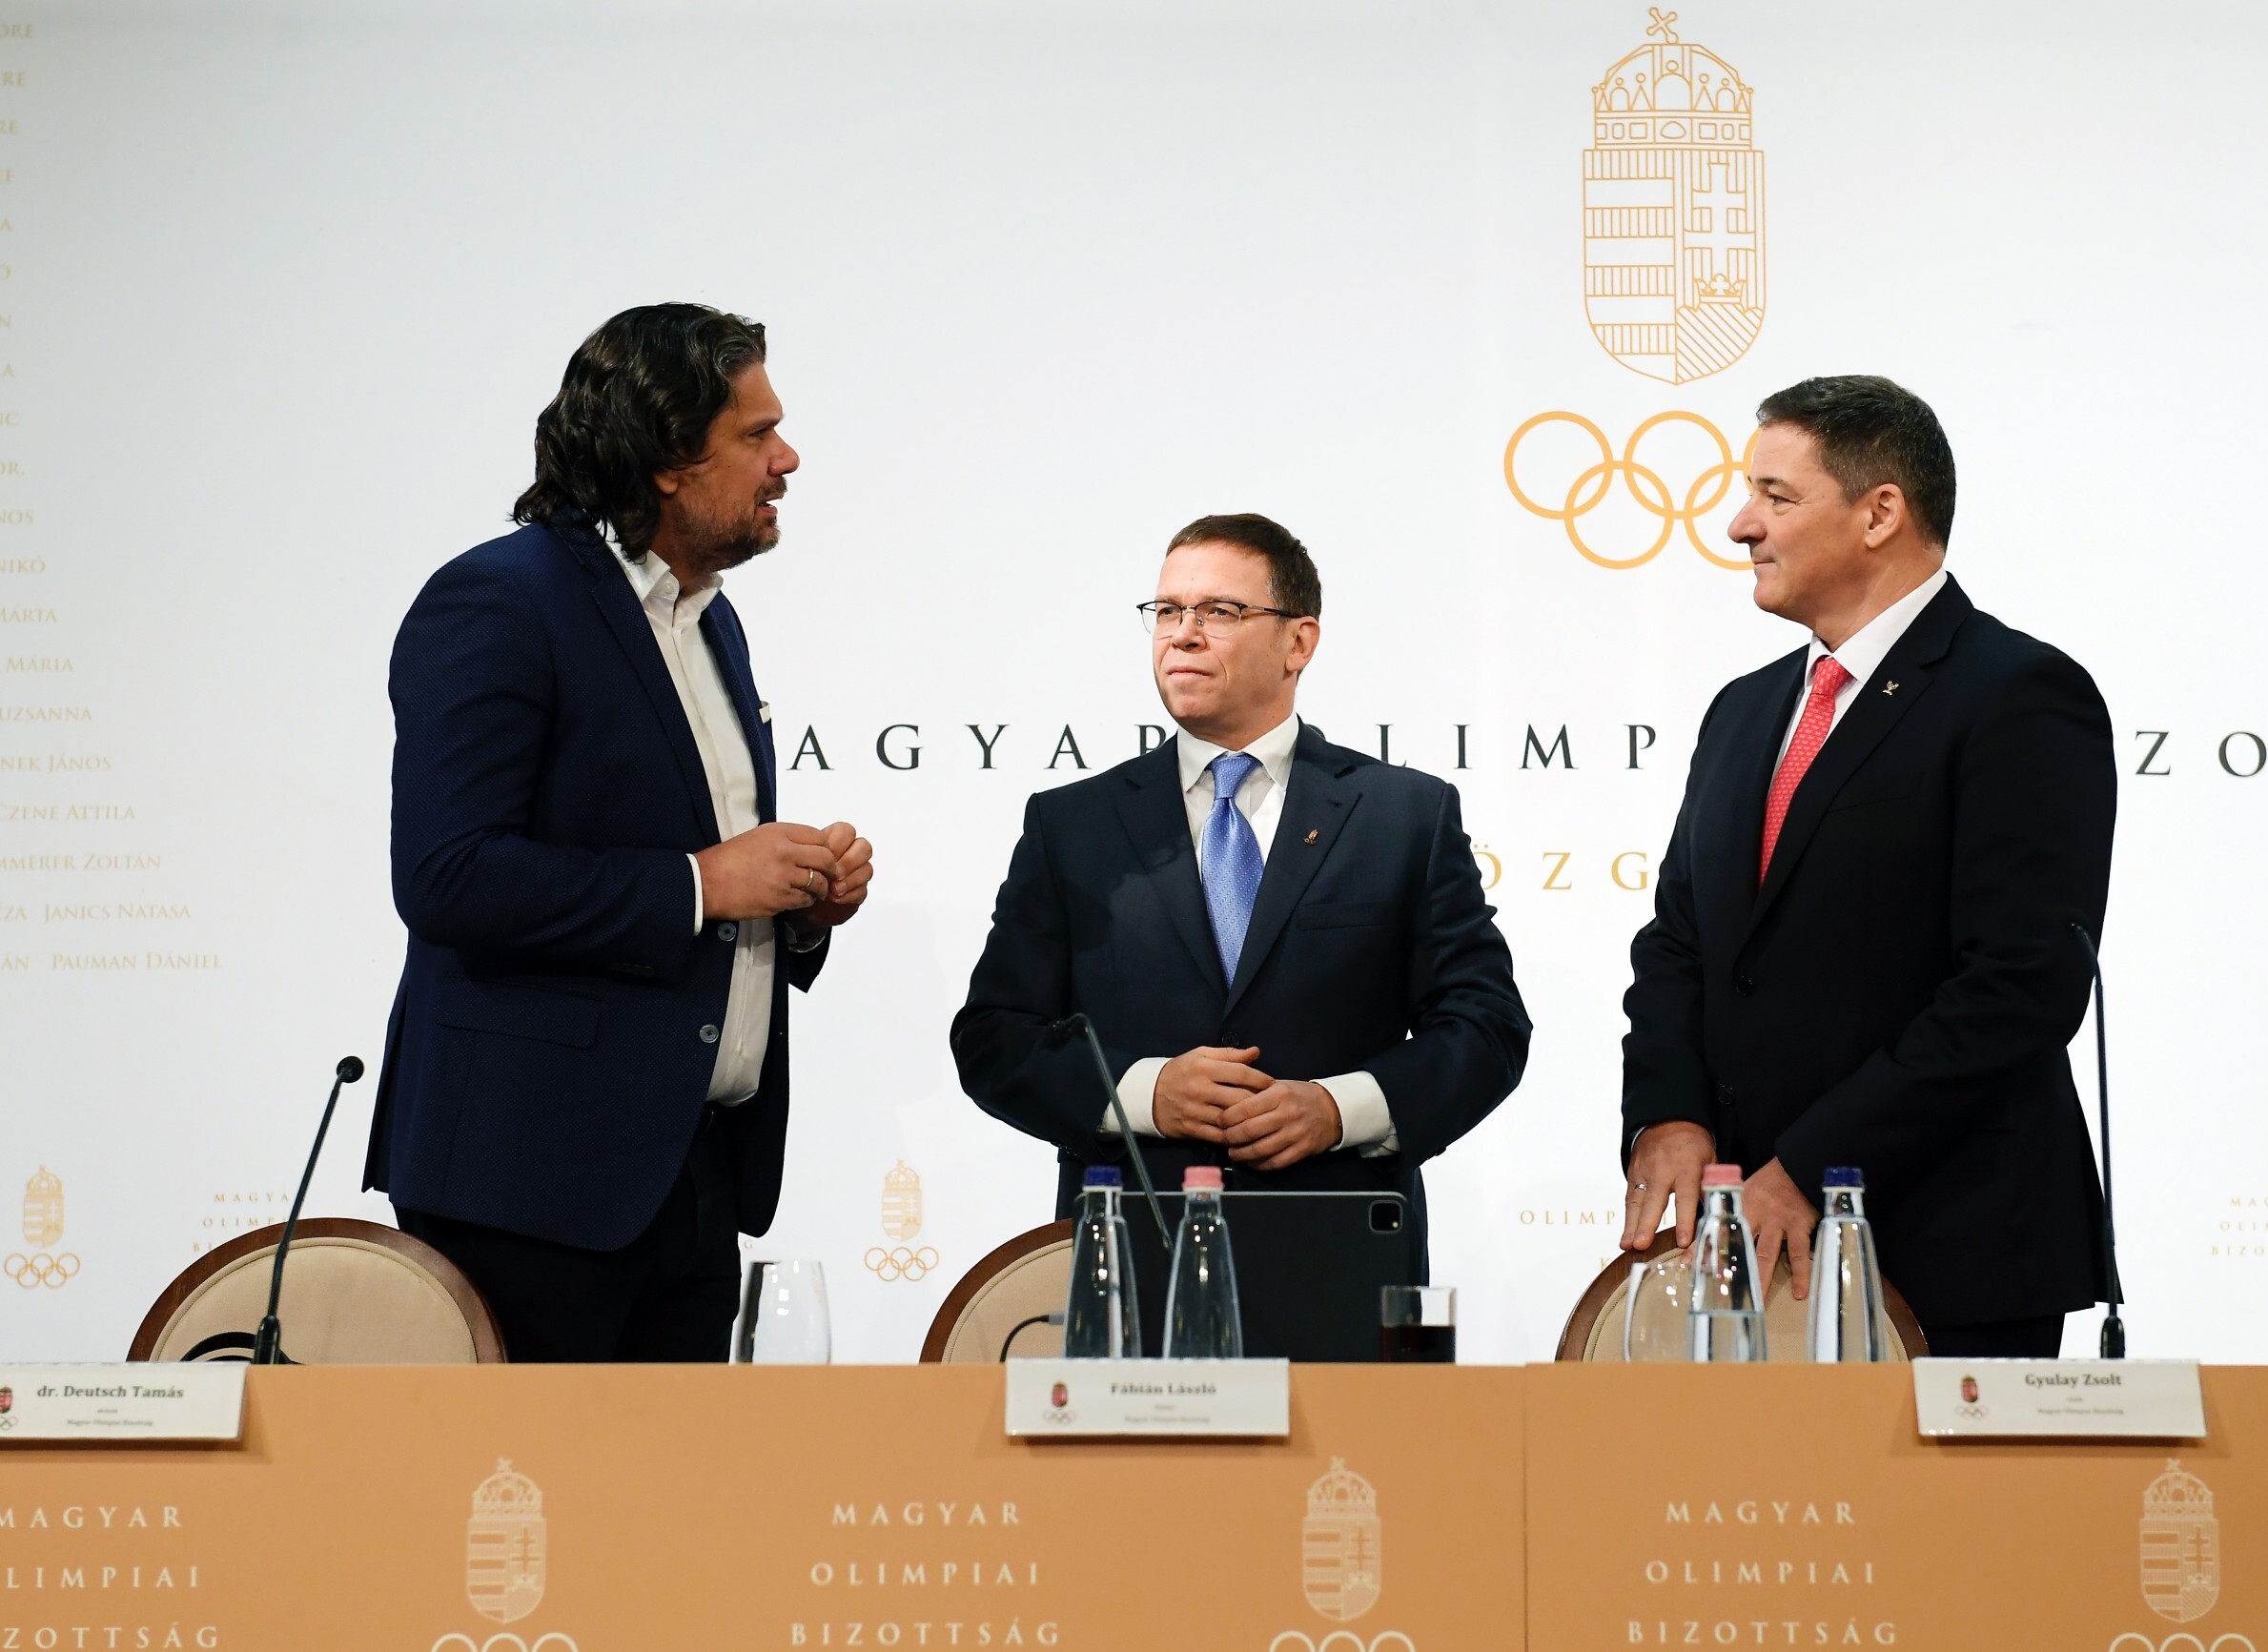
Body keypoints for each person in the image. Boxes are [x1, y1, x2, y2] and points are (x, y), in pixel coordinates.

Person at [365, 303, 873, 1361]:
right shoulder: (498, 600)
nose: (786, 459)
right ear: (667, 459)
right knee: (533, 1472)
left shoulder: (710, 618)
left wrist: (799, 905)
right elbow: (449, 874)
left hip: (694, 1177)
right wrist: (704, 883)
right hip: (529, 1186)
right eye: (756, 434)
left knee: (681, 1478)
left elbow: (705, 872)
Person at [1617, 376, 2115, 1358]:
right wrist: (1668, 1114)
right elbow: (1679, 940)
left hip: (1952, 1249)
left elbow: (2019, 985)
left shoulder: (2019, 694)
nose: (1739, 524)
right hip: (1739, 1248)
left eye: (1775, 495)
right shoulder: (1743, 710)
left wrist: (1812, 1167)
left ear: (1880, 511)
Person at [950, 514, 1529, 1273]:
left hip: (1342, 1261)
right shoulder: (1072, 825)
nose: (1182, 635)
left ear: (1299, 641)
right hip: (1132, 1263)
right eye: (1167, 610)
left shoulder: (1403, 815)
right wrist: (1146, 1092)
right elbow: (994, 1038)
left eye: (1219, 611)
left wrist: (1337, 1109)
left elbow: (1486, 1029)